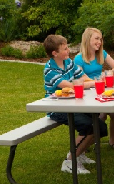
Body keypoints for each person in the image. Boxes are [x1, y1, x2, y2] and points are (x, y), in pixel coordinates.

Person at [43, 34, 108, 174]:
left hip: (75, 104)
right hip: (57, 108)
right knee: (89, 126)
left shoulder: (69, 63)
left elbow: (83, 77)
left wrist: (91, 82)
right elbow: (71, 86)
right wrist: (97, 82)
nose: (68, 51)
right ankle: (70, 161)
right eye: (65, 49)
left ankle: (80, 153)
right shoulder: (49, 70)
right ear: (55, 53)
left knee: (101, 127)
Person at [74, 28, 114, 151]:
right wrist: (97, 81)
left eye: (101, 39)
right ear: (87, 39)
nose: (100, 42)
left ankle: (112, 142)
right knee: (101, 116)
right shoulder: (79, 59)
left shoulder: (102, 54)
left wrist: (109, 73)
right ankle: (88, 144)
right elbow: (80, 79)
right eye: (96, 38)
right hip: (88, 93)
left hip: (102, 89)